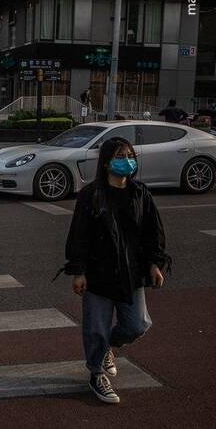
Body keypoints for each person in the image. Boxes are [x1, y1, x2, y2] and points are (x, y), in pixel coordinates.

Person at [62, 137, 170, 404]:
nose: (127, 161)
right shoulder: (92, 194)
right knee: (96, 328)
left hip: (132, 272)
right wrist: (78, 270)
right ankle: (97, 372)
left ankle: (108, 348)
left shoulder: (140, 193)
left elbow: (153, 232)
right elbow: (79, 234)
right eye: (121, 157)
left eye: (130, 156)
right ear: (106, 162)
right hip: (98, 272)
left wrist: (155, 263)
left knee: (137, 325)